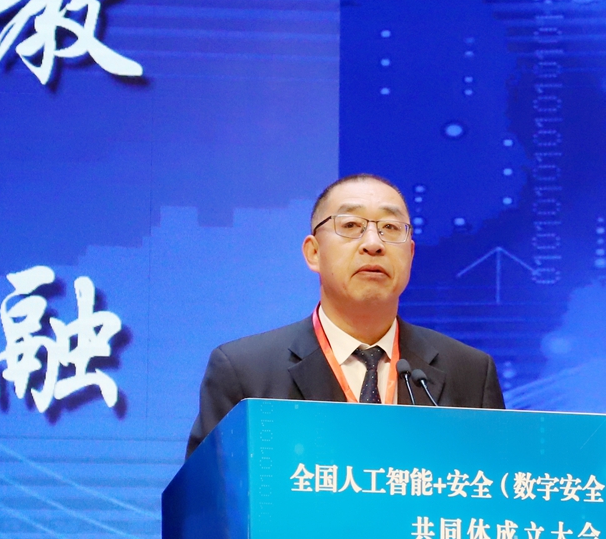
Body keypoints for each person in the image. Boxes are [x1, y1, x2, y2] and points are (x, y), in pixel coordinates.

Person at [185, 173, 506, 455]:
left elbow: (497, 490)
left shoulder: (470, 373)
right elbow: (207, 500)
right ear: (313, 252)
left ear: (410, 254)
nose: (373, 244)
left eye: (390, 227)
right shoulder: (244, 371)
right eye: (351, 226)